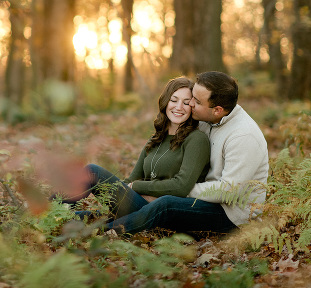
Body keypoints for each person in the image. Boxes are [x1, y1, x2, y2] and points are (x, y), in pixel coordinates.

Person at [104, 71, 269, 236]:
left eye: (196, 101)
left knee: (166, 204)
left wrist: (177, 192)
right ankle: (89, 222)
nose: (189, 104)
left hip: (232, 216)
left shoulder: (243, 136)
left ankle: (107, 231)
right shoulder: (207, 120)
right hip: (205, 201)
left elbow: (228, 192)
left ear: (217, 110)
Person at [59, 77, 210, 223]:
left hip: (159, 210)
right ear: (165, 102)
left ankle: (51, 212)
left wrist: (137, 187)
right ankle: (53, 215)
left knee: (92, 171)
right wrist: (118, 195)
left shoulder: (196, 140)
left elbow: (181, 186)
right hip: (138, 203)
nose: (178, 107)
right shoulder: (156, 139)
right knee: (81, 218)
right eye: (174, 100)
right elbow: (131, 180)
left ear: (192, 107)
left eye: (185, 103)